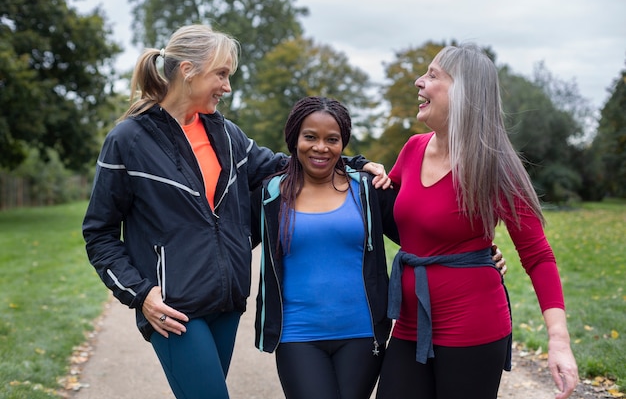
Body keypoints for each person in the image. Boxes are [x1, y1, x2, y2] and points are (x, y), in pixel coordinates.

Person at [82, 26, 386, 399]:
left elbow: (288, 165)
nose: (227, 87)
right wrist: (142, 294)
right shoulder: (128, 140)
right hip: (174, 311)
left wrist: (357, 164)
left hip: (226, 304)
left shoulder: (226, 134)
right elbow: (99, 233)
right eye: (221, 75)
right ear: (188, 70)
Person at [252, 96, 506, 399]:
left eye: (332, 139)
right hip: (297, 334)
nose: (321, 147)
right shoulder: (271, 195)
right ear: (294, 138)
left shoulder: (367, 191)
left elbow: (421, 233)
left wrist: (478, 253)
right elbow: (232, 243)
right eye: (310, 137)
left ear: (343, 143)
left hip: (362, 336)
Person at [375, 44, 578, 399]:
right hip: (409, 324)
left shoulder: (496, 166)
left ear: (464, 90)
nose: (419, 82)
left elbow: (538, 255)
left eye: (433, 75)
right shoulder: (412, 149)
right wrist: (367, 170)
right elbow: (399, 217)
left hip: (472, 329)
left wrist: (558, 339)